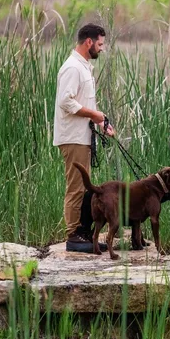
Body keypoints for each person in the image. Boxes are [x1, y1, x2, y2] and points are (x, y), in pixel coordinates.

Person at [53, 23, 115, 253]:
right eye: (100, 44)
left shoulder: (84, 67)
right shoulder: (72, 67)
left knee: (84, 186)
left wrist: (100, 122)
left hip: (83, 135)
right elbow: (66, 102)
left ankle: (83, 233)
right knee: (76, 187)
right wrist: (94, 114)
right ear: (88, 42)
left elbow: (83, 102)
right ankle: (73, 236)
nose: (102, 49)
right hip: (73, 137)